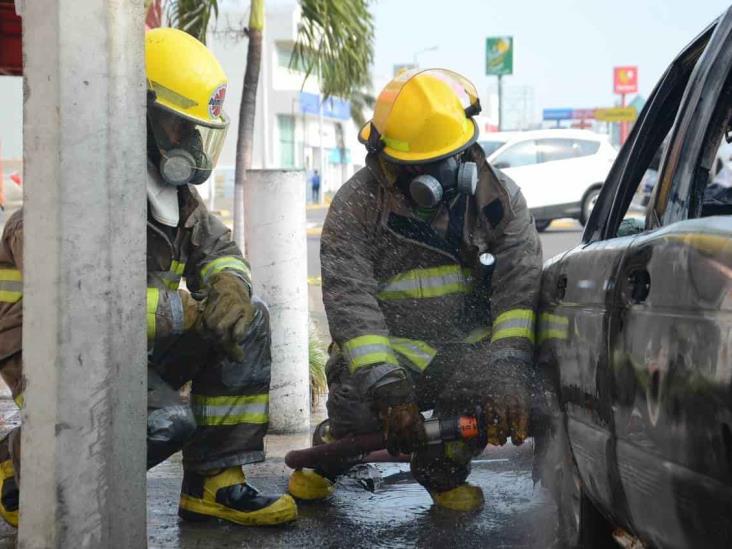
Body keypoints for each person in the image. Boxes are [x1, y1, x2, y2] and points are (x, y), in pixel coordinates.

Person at [0, 28, 297, 527]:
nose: (193, 145)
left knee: (252, 319)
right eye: (183, 128)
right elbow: (82, 307)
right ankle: (23, 468)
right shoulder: (71, 189)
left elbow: (219, 249)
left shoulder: (172, 195)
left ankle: (213, 481)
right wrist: (190, 310)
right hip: (53, 354)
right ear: (140, 115)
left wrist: (229, 287)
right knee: (163, 422)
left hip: (131, 342)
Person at [288, 69, 542, 511]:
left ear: (458, 161)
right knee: (359, 404)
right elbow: (352, 306)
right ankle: (329, 453)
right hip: (393, 351)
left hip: (466, 353)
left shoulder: (498, 201)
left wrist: (508, 370)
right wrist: (388, 391)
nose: (400, 181)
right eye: (393, 167)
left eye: (417, 169)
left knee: (482, 396)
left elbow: (519, 290)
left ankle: (441, 471)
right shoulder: (358, 205)